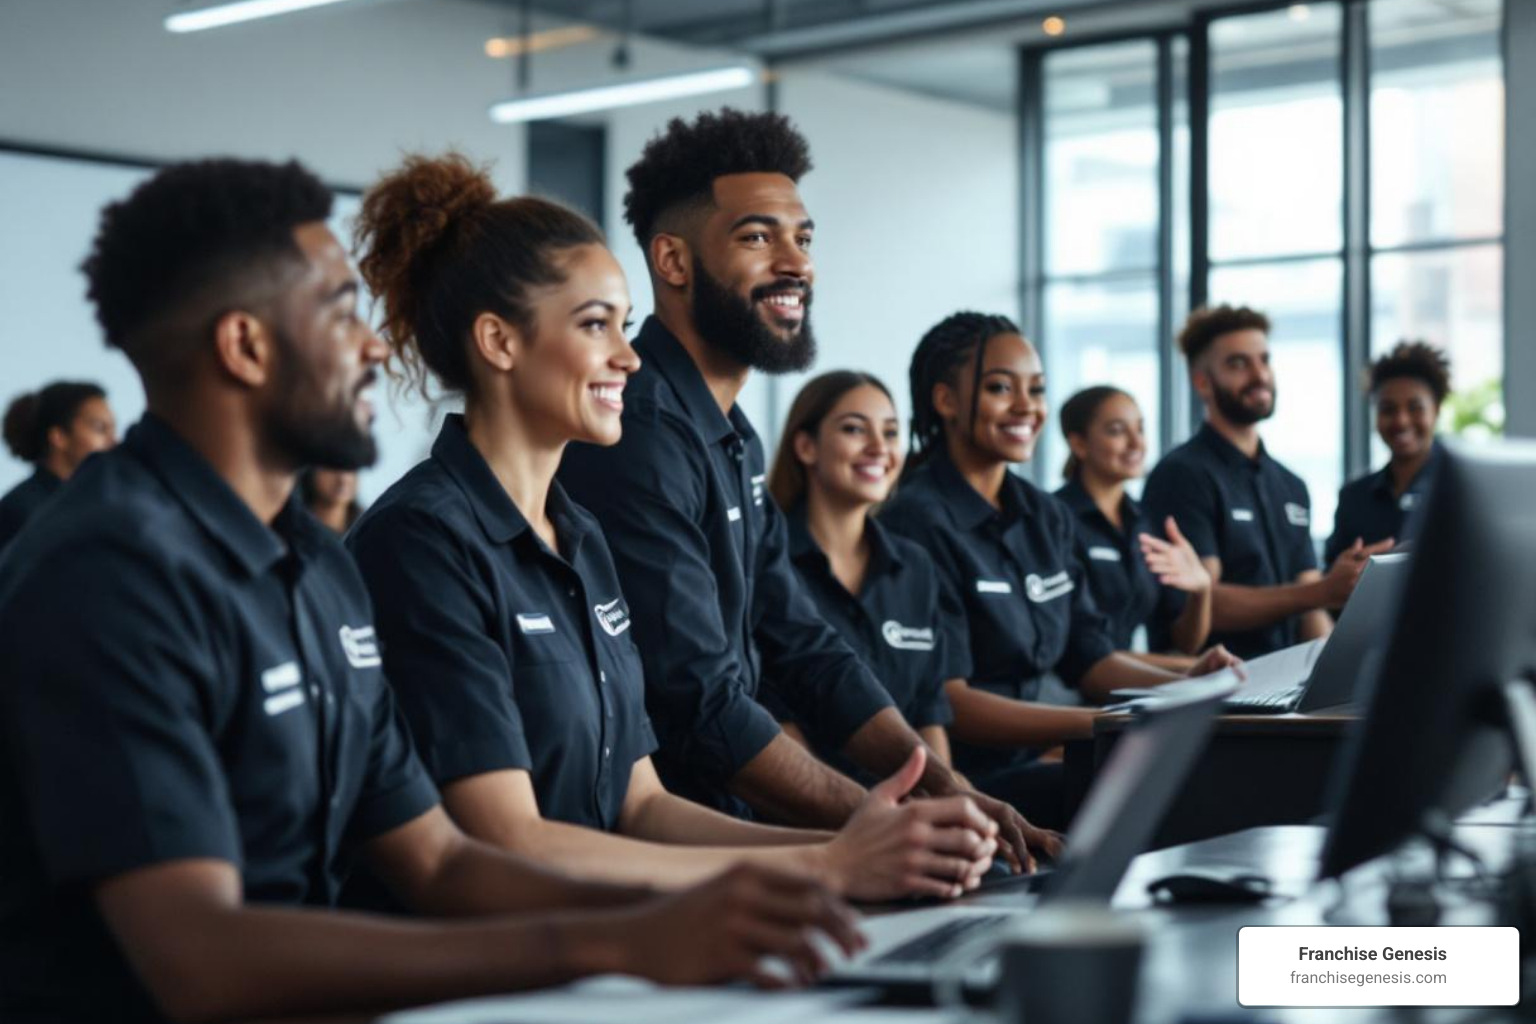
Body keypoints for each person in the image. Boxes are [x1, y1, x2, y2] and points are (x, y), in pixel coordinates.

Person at [0, 157, 862, 1024]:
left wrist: (714, 908)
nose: (377, 344)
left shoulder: (319, 564)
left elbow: (440, 861)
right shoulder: (110, 573)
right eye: (341, 313)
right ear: (246, 346)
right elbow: (201, 962)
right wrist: (618, 941)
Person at [345, 153, 995, 903]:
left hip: (605, 941)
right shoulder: (423, 542)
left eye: (623, 326)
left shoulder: (580, 537)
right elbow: (509, 841)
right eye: (596, 326)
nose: (627, 356)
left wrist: (866, 846)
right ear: (499, 342)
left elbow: (643, 806)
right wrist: (827, 866)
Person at [556, 109, 1053, 869]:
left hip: (731, 819)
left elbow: (802, 641)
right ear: (675, 261)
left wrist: (937, 787)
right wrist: (881, 820)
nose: (796, 264)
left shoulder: (732, 436)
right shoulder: (640, 433)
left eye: (804, 239)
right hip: (670, 853)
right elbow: (699, 702)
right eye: (758, 238)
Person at [880, 312, 1236, 828]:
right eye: (1001, 388)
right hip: (964, 779)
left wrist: (1185, 681)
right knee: (1176, 787)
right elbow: (949, 702)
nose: (1027, 407)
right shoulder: (916, 521)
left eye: (1037, 389)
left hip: (1047, 753)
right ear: (946, 401)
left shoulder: (1044, 514)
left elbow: (1089, 659)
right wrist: (1104, 723)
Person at [1141, 305, 1391, 659]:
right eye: (1238, 364)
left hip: (1283, 689)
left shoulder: (1291, 485)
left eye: (1264, 360)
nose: (1259, 375)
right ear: (1202, 383)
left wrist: (1341, 669)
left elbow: (1310, 606)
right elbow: (1204, 600)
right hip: (1216, 687)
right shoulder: (1182, 475)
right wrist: (1323, 591)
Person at [764, 371, 960, 783]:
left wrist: (948, 796)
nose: (879, 448)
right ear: (805, 446)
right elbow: (771, 721)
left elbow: (928, 715)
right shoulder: (766, 562)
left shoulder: (916, 566)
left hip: (911, 805)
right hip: (808, 808)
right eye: (855, 429)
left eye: (890, 433)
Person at [1054, 386, 1212, 659]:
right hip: (1070, 692)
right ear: (1078, 443)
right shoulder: (1054, 519)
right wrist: (1191, 669)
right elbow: (1084, 651)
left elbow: (1183, 644)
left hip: (1131, 685)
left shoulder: (1146, 523)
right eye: (1117, 431)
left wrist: (1202, 590)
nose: (1136, 443)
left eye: (1140, 429)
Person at [1325, 341, 1450, 565]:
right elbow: (1332, 583)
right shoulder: (1354, 497)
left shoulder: (1458, 492)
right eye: (1388, 409)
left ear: (1437, 409)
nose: (1401, 421)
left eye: (1415, 408)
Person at [0, 380, 117, 552]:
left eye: (113, 430)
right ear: (59, 436)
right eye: (100, 429)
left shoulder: (94, 503)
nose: (114, 442)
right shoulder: (21, 511)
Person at [299, 465, 363, 534]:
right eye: (332, 468)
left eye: (350, 469)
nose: (343, 479)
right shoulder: (292, 530)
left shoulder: (366, 530)